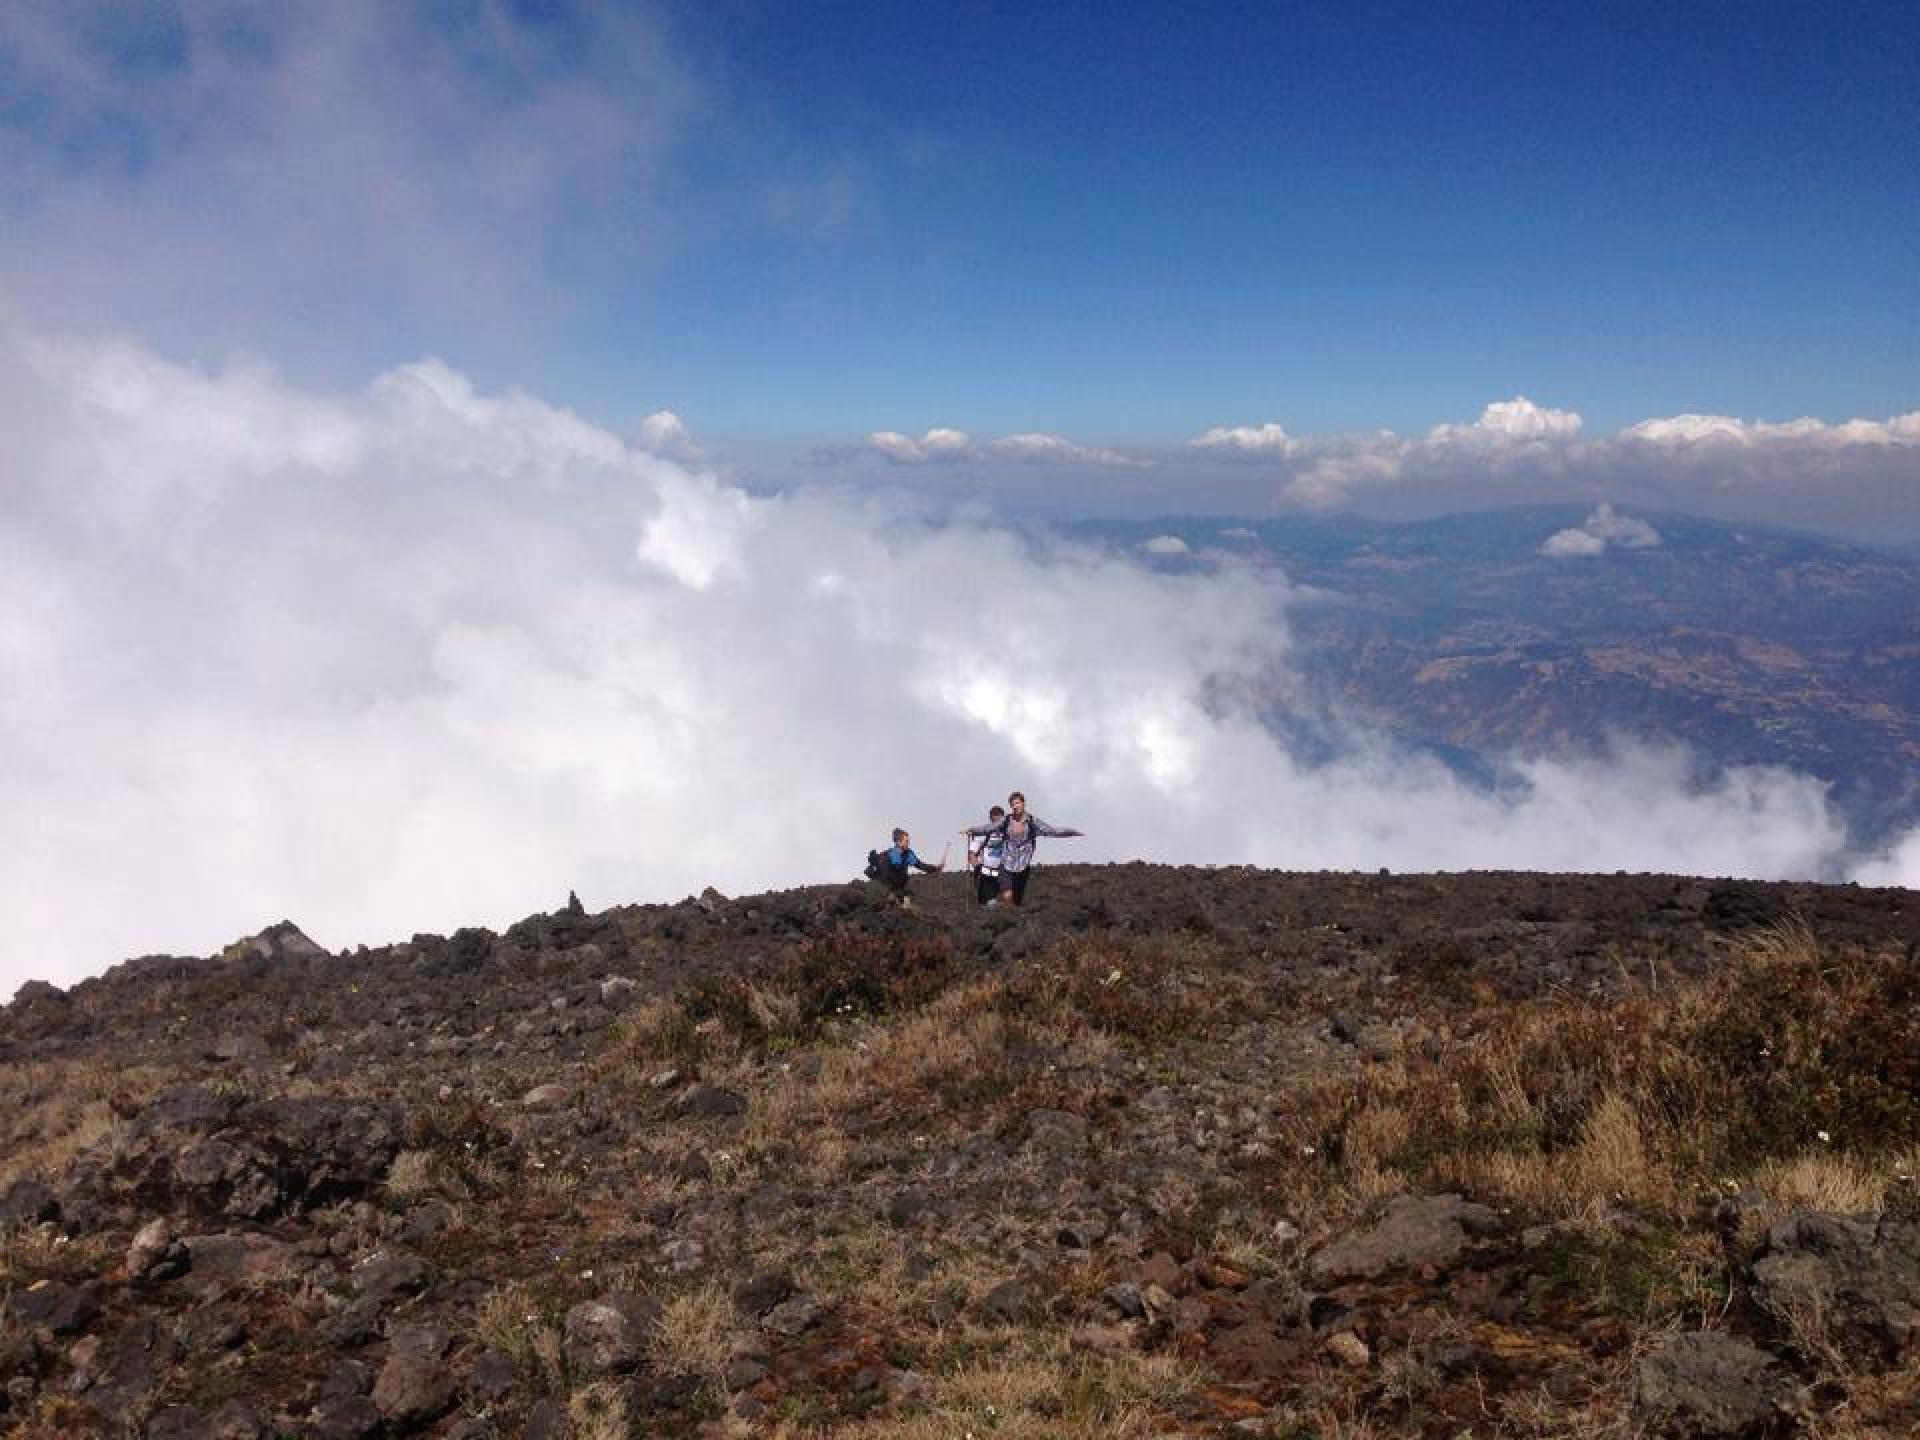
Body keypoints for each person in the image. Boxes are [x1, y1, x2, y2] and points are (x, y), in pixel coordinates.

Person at [962, 791, 1082, 908]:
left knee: (1016, 901)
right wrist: (971, 830)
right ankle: (1004, 913)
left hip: (1022, 866)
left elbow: (1052, 831)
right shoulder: (1006, 820)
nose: (1015, 807)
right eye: (1012, 804)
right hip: (1006, 864)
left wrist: (1073, 832)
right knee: (1007, 895)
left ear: (1023, 803)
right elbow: (988, 828)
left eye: (1017, 803)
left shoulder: (1032, 822)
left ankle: (1010, 917)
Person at [872, 827, 944, 906]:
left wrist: (936, 868)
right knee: (894, 900)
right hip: (886, 884)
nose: (908, 843)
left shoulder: (908, 853)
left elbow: (920, 865)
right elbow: (887, 874)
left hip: (899, 885)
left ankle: (899, 901)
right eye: (906, 841)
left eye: (908, 841)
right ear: (898, 842)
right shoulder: (891, 855)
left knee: (906, 898)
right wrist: (893, 891)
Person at [967, 805, 1007, 906]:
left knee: (1002, 902)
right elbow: (972, 853)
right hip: (985, 874)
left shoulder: (1008, 834)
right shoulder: (983, 833)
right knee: (988, 903)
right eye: (995, 821)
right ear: (991, 819)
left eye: (999, 821)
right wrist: (976, 865)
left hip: (1003, 874)